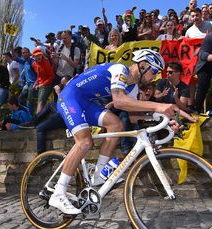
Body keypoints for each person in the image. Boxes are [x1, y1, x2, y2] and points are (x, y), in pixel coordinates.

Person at [48, 49, 196, 215]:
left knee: (116, 125)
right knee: (85, 142)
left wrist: (166, 120)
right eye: (154, 71)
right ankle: (58, 192)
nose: (154, 77)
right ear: (143, 65)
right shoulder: (120, 70)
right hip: (70, 97)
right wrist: (158, 106)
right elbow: (118, 101)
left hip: (85, 102)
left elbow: (134, 117)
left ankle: (98, 174)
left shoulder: (132, 87)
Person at [32, 48, 55, 114]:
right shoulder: (34, 64)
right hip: (39, 84)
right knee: (33, 96)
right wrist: (36, 83)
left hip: (47, 84)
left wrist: (43, 84)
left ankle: (37, 120)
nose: (39, 57)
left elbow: (52, 77)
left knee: (40, 102)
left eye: (40, 55)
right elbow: (39, 75)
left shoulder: (46, 63)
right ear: (33, 57)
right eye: (36, 55)